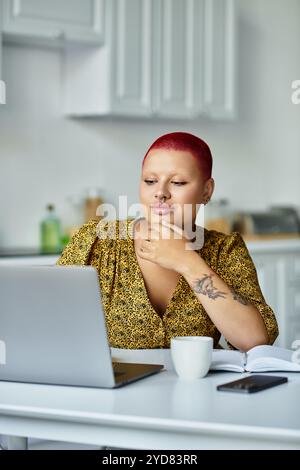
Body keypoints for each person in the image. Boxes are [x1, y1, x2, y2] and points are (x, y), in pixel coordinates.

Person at [57, 132, 278, 351]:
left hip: (199, 386)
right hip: (117, 384)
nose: (160, 193)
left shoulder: (225, 251)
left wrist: (186, 262)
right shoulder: (99, 241)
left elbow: (255, 340)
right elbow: (49, 317)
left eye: (178, 182)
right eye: (150, 181)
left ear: (206, 191)